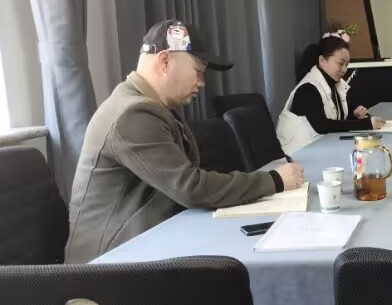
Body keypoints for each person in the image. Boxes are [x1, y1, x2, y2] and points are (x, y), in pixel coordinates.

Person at [65, 20, 305, 264]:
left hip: (139, 248)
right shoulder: (132, 114)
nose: (202, 82)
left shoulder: (149, 107)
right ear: (164, 61)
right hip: (106, 267)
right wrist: (274, 181)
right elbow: (190, 187)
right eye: (198, 71)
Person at [277, 33, 385, 155]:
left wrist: (355, 115)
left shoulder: (337, 85)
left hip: (320, 148)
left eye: (347, 65)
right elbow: (322, 125)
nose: (344, 70)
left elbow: (337, 120)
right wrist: (366, 124)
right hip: (297, 154)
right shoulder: (307, 89)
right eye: (340, 63)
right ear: (322, 61)